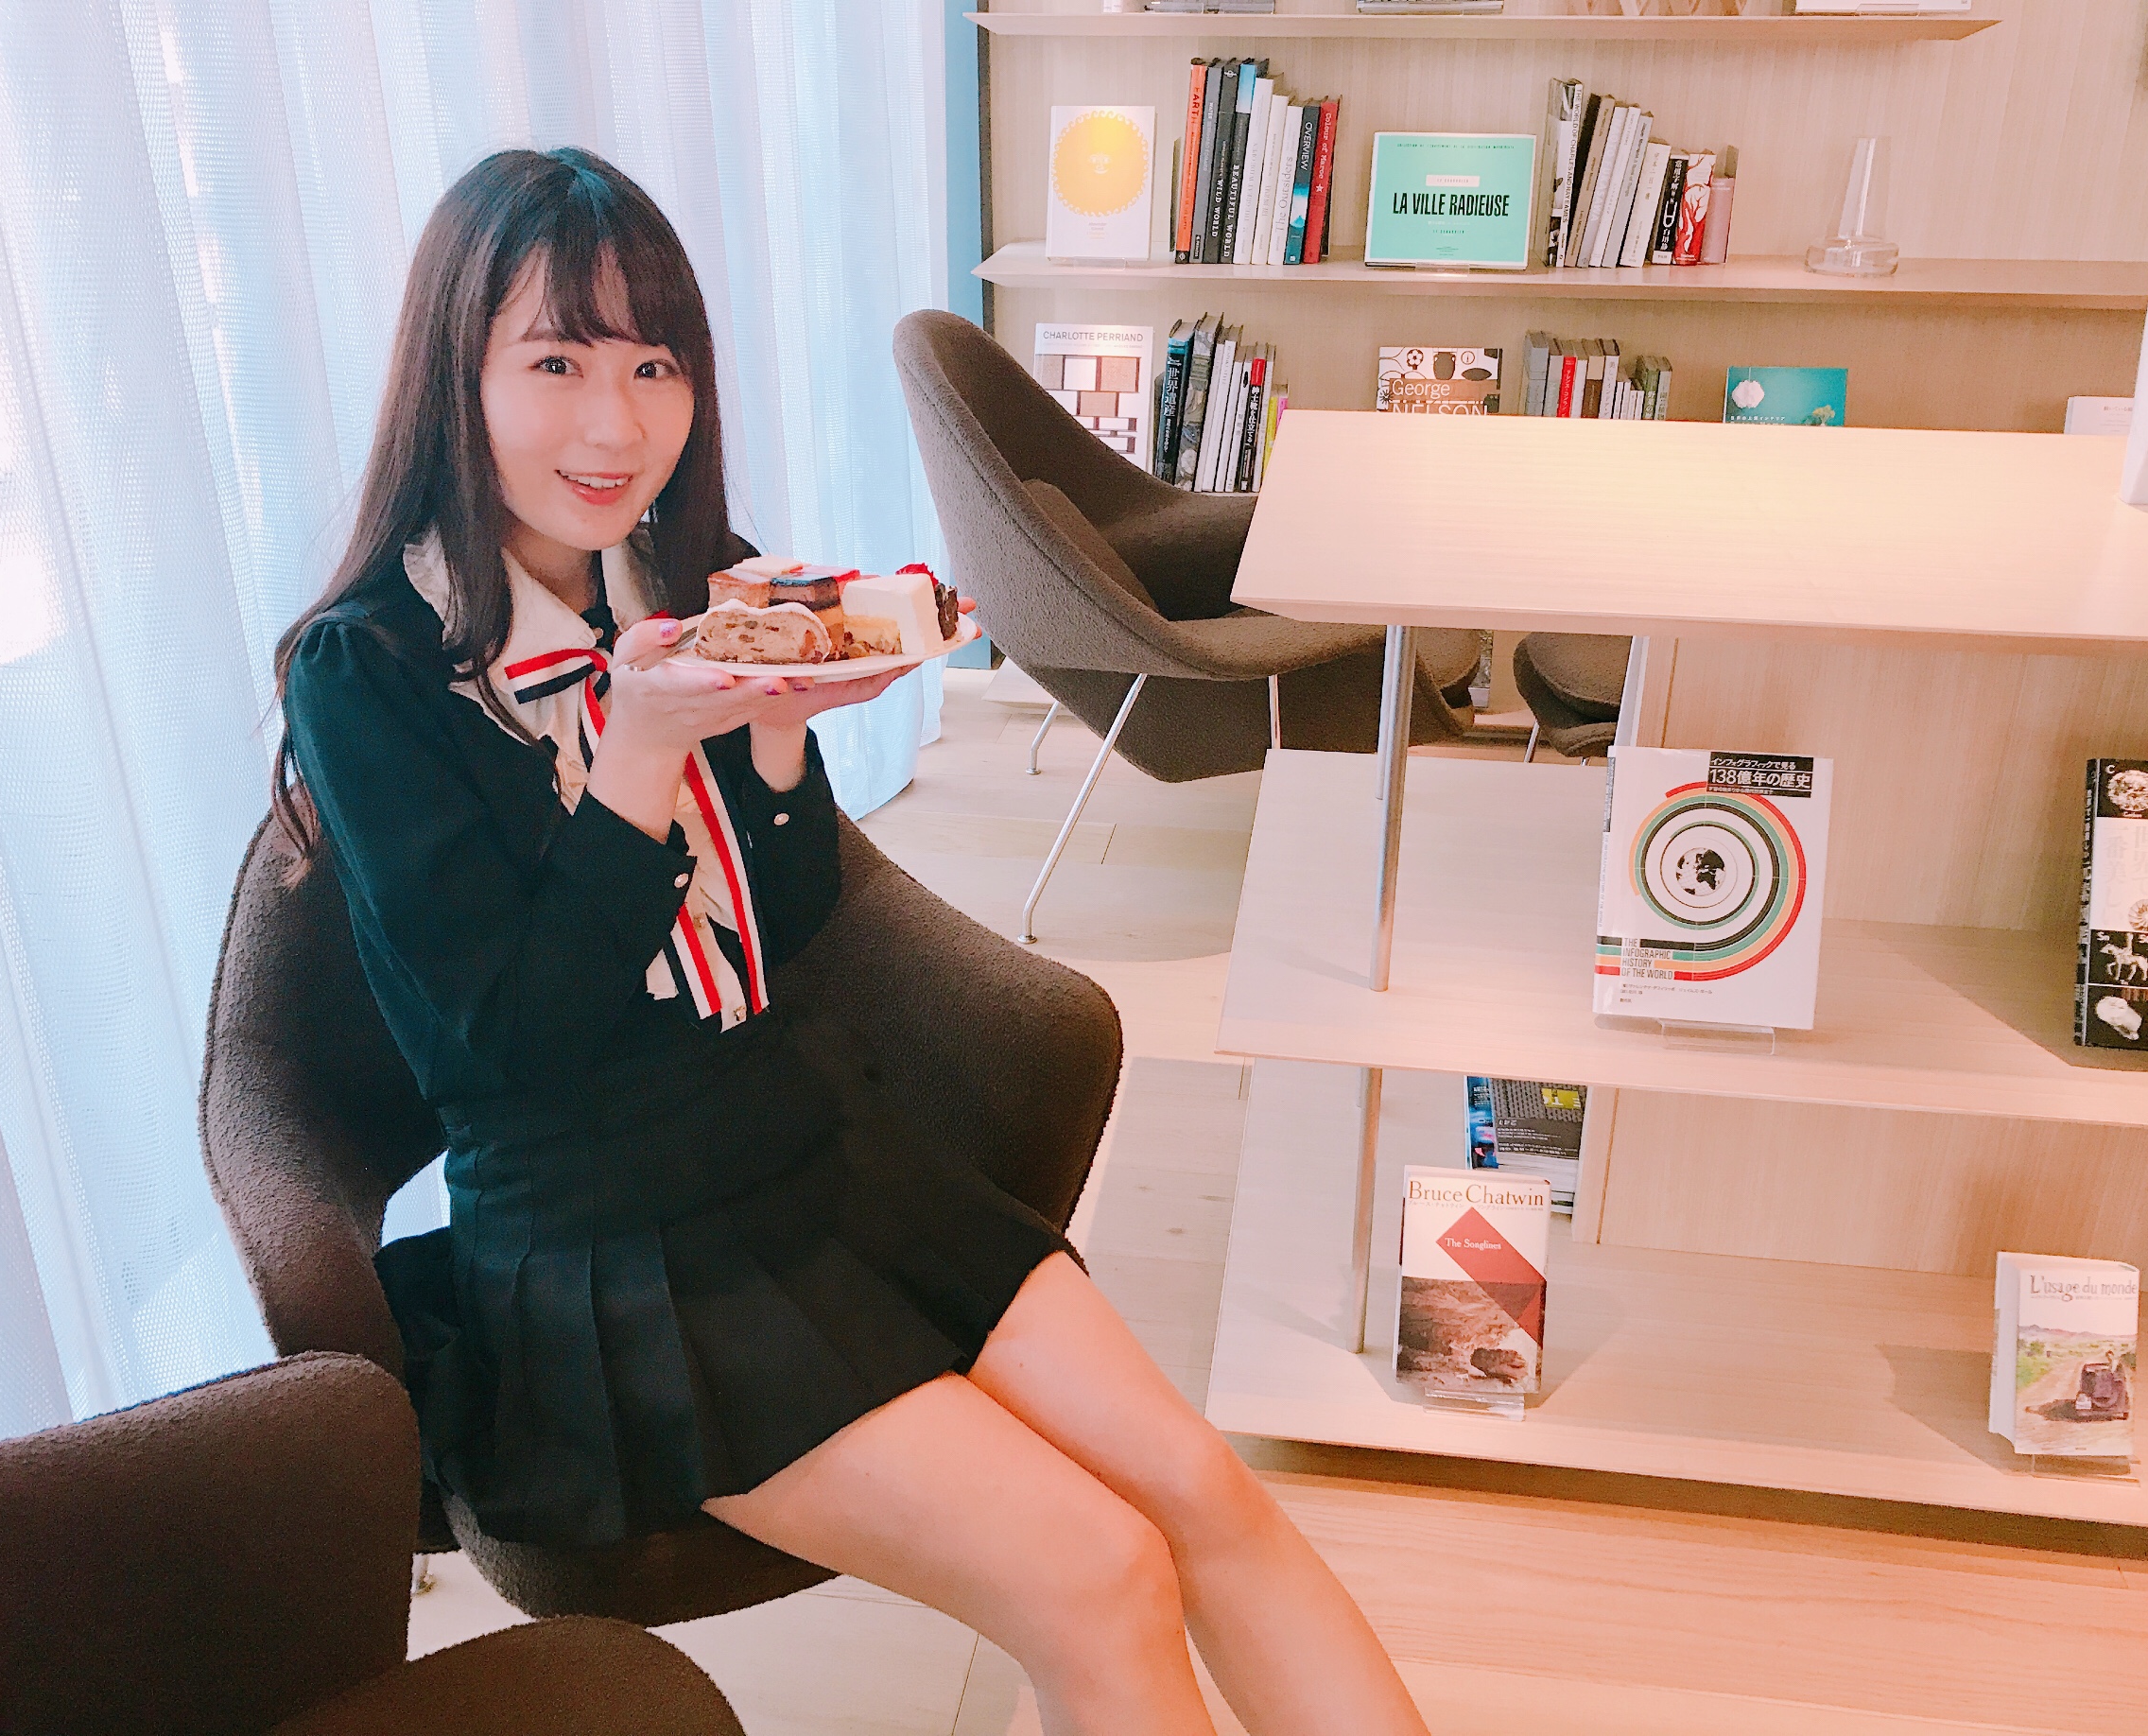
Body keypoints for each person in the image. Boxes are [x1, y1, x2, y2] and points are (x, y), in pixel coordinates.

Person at [275, 147, 1429, 1736]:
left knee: (1204, 1493)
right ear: (452, 377)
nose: (615, 425)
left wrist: (777, 729)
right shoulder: (368, 674)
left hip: (814, 1148)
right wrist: (642, 756)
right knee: (1100, 1574)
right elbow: (507, 1046)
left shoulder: (677, 581)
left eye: (654, 366)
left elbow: (795, 917)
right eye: (556, 364)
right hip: (609, 1251)